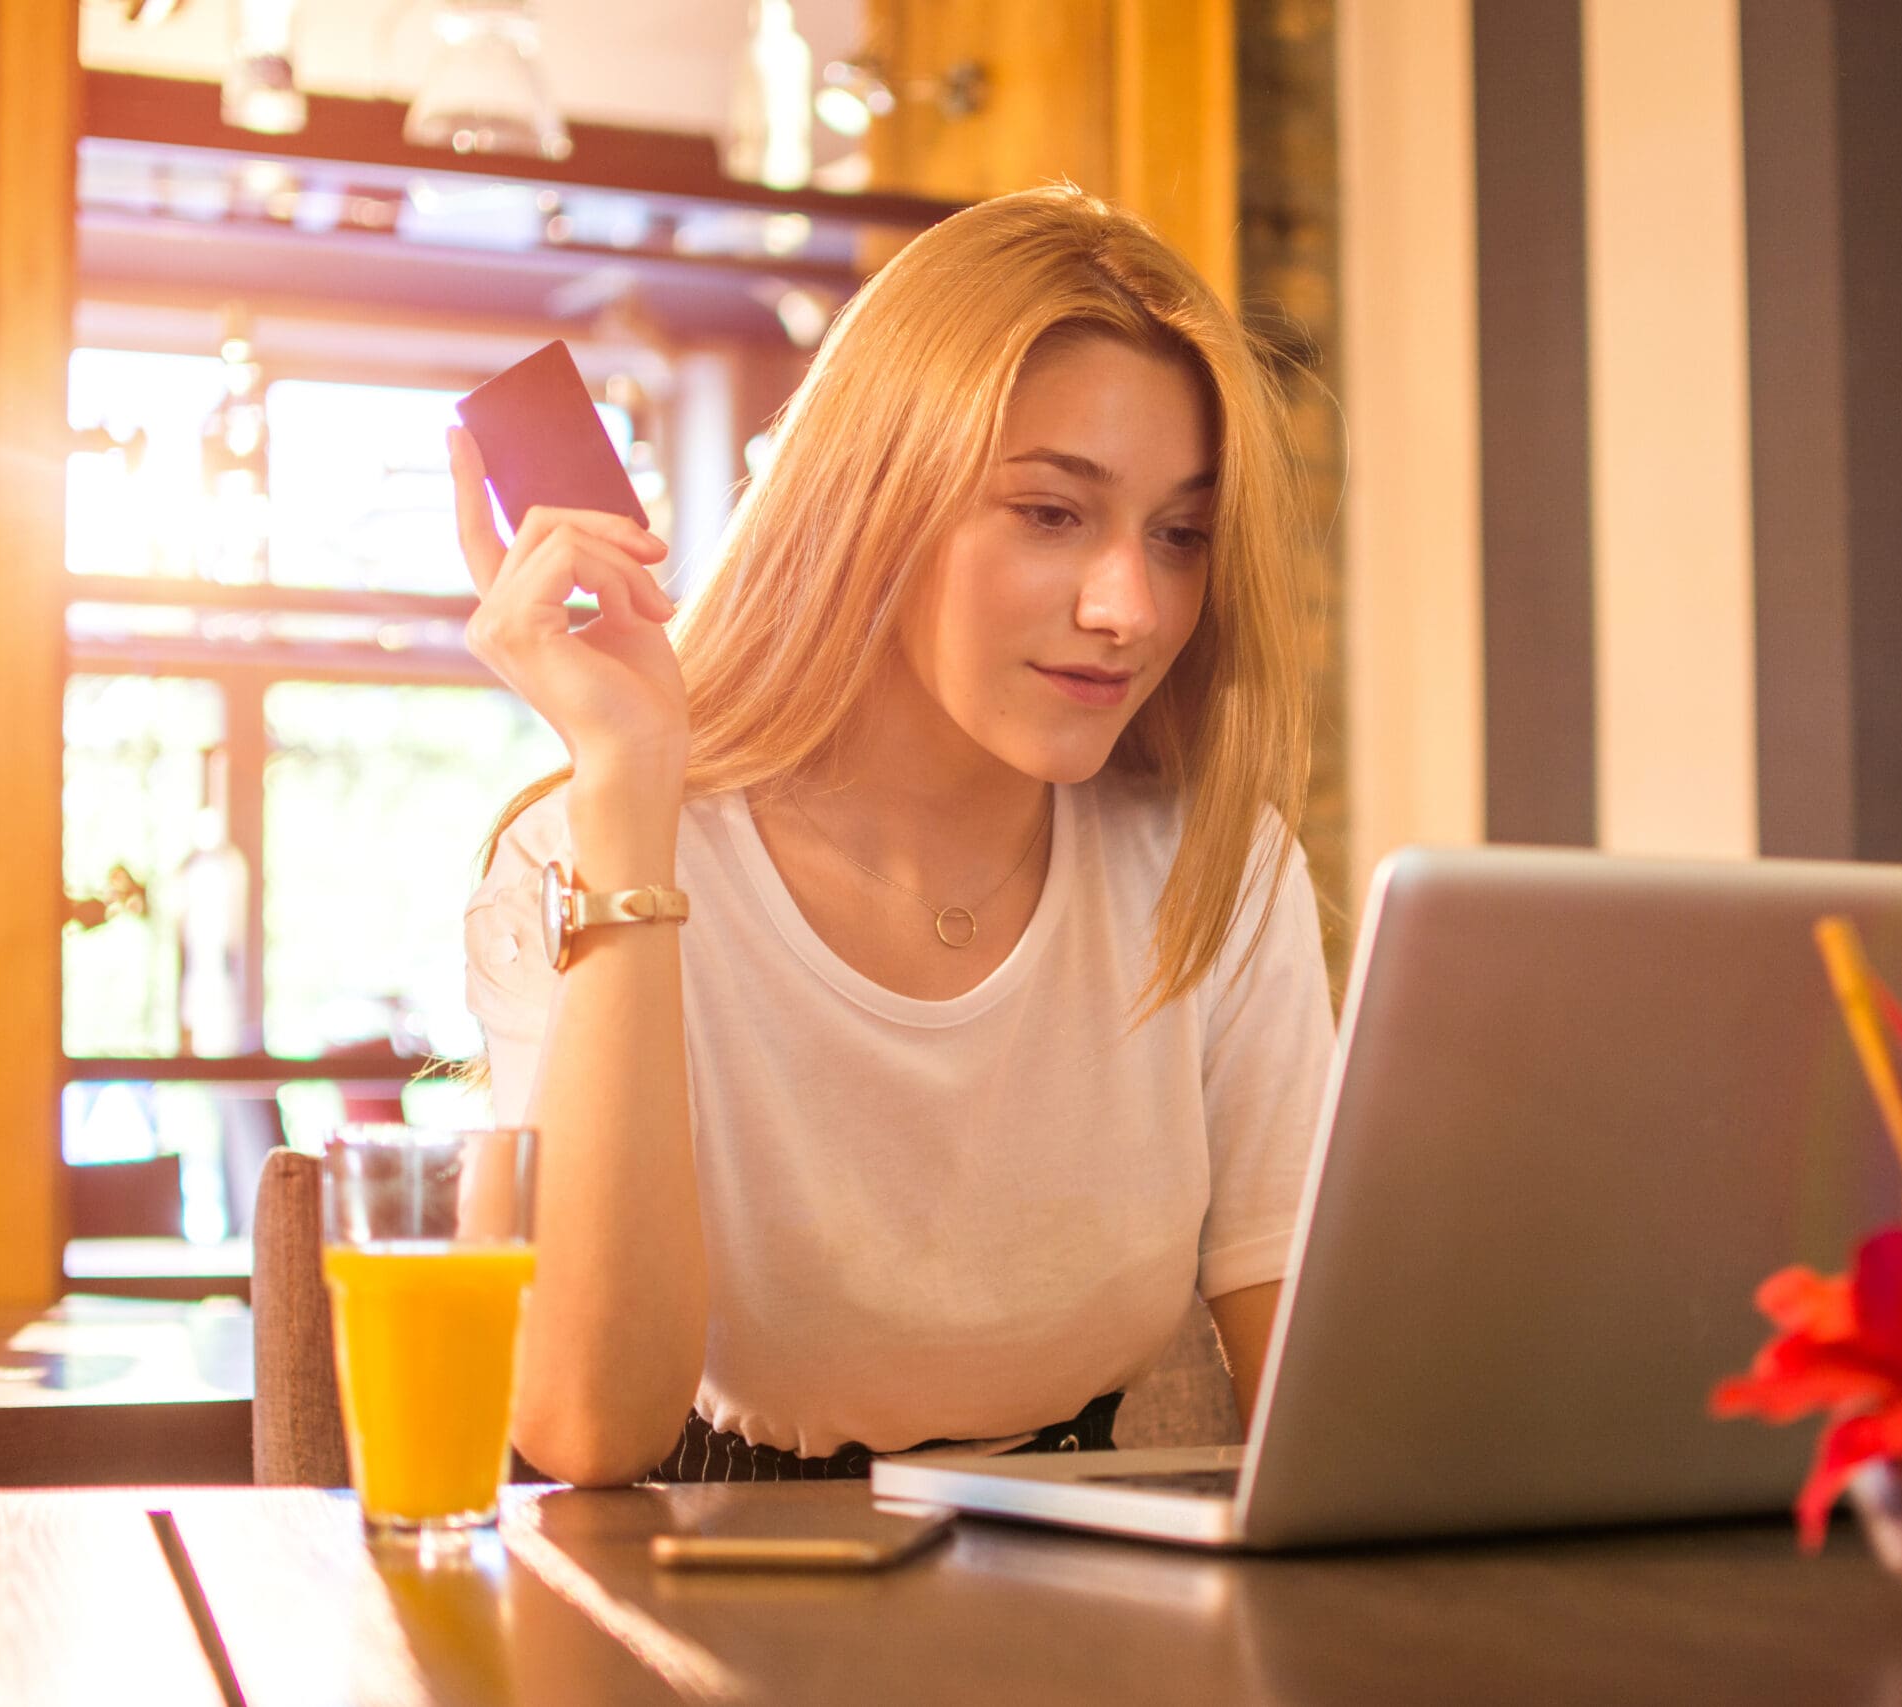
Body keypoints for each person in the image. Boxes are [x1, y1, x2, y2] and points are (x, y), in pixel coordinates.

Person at [454, 186, 1334, 1486]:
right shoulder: (584, 851)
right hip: (712, 1592)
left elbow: (1315, 1400)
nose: (1132, 607)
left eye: (1181, 535)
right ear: (873, 498)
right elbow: (587, 1429)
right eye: (1050, 512)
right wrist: (631, 791)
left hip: (1097, 1607)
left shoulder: (1214, 862)